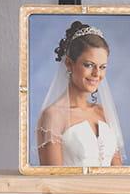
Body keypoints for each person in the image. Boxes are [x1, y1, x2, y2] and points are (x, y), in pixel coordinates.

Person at [36, 21, 124, 168]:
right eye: (89, 65)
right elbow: (52, 178)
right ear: (69, 64)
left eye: (102, 67)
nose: (97, 74)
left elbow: (119, 172)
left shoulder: (103, 113)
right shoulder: (53, 116)